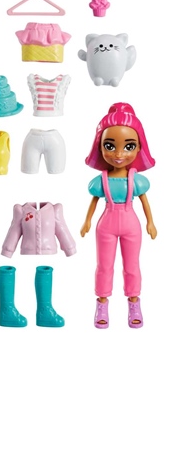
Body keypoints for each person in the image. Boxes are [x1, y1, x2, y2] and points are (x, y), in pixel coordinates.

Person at [80, 103, 157, 328]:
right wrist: (86, 221)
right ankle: (102, 303)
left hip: (131, 224)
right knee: (104, 265)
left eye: (129, 146)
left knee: (132, 265)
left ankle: (134, 302)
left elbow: (144, 201)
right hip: (106, 225)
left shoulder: (137, 180)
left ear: (139, 147)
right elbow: (94, 201)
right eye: (110, 146)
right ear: (100, 146)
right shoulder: (101, 180)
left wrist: (151, 222)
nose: (119, 154)